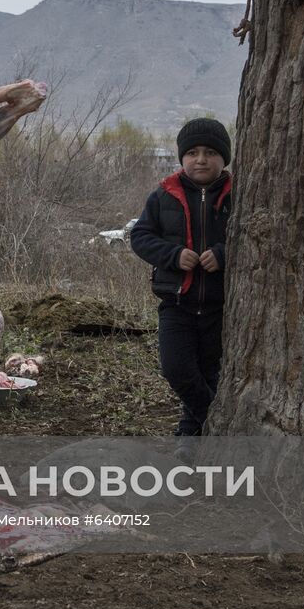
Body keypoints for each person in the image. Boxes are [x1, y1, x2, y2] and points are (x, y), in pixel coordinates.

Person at [129, 118, 233, 437]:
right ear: (182, 157)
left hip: (221, 307)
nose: (201, 159)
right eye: (193, 152)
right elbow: (141, 236)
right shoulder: (164, 195)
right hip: (176, 304)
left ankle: (190, 435)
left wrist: (223, 254)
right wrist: (173, 256)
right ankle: (212, 422)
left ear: (223, 158)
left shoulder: (237, 196)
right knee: (177, 370)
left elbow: (253, 237)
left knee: (211, 372)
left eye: (210, 152)